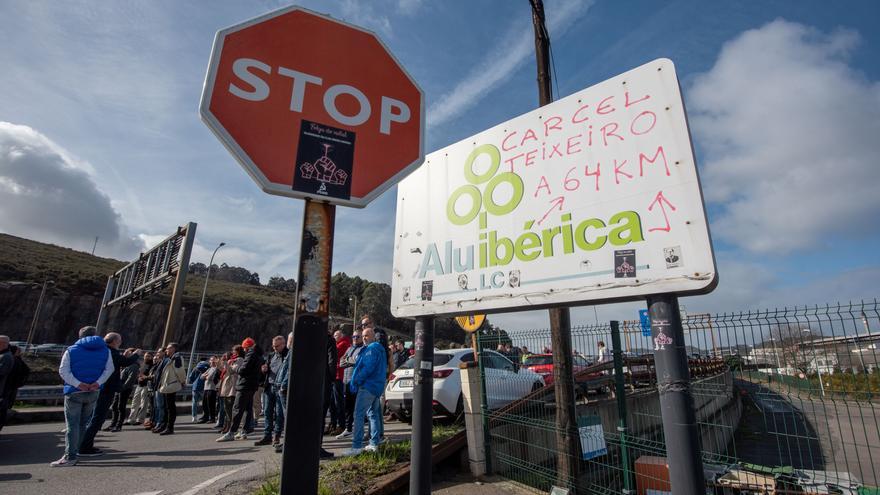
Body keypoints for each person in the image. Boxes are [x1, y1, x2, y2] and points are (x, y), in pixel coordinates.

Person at [50, 326, 114, 467]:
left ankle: (70, 456)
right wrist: (97, 383)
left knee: (72, 425)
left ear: (80, 336)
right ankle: (77, 450)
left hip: (74, 391)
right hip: (93, 391)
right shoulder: (105, 350)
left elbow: (63, 370)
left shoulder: (72, 350)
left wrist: (78, 384)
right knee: (82, 424)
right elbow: (110, 369)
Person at [79, 332, 140, 456]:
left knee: (93, 417)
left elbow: (119, 361)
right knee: (97, 418)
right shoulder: (110, 352)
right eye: (119, 340)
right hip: (106, 388)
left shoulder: (103, 351)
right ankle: (84, 447)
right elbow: (124, 362)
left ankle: (84, 444)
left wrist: (124, 356)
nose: (121, 342)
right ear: (114, 341)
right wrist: (136, 354)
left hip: (98, 386)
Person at [343, 325, 387, 456]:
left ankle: (356, 447)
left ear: (373, 336)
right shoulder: (378, 349)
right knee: (373, 415)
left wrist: (356, 381)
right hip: (376, 387)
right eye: (362, 336)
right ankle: (374, 443)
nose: (364, 338)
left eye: (366, 335)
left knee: (358, 415)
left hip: (367, 387)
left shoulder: (371, 349)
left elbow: (367, 368)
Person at [217, 338, 262, 441]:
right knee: (248, 408)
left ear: (247, 347)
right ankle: (244, 431)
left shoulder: (251, 354)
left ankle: (231, 432)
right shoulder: (258, 355)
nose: (244, 350)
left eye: (244, 348)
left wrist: (234, 368)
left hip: (244, 385)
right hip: (252, 385)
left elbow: (243, 370)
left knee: (237, 408)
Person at [255, 336, 288, 447]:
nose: (274, 348)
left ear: (284, 344)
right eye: (273, 346)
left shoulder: (288, 355)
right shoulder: (271, 356)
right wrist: (264, 370)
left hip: (280, 388)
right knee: (268, 412)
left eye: (277, 346)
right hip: (269, 386)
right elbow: (267, 370)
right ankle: (267, 435)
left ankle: (277, 436)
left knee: (279, 414)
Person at [335, 329, 364, 440]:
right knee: (348, 407)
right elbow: (341, 362)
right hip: (345, 381)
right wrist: (350, 360)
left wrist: (349, 360)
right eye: (353, 337)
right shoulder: (349, 348)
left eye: (358, 337)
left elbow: (359, 361)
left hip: (356, 382)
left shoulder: (363, 349)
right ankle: (348, 429)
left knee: (357, 408)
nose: (355, 339)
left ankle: (357, 431)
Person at [157, 342, 186, 435]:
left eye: (168, 348)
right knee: (167, 406)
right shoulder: (170, 358)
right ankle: (166, 426)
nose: (166, 350)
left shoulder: (177, 358)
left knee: (170, 407)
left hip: (171, 385)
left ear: (174, 349)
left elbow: (180, 370)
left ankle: (170, 428)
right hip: (167, 385)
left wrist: (182, 381)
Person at [108, 351, 139, 431]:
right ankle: (113, 424)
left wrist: (122, 388)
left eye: (127, 353)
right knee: (115, 406)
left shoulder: (134, 366)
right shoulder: (125, 365)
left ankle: (119, 425)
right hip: (119, 388)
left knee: (121, 407)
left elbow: (130, 379)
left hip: (124, 389)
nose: (124, 354)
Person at [328, 329, 351, 436]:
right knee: (332, 402)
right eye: (333, 335)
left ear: (341, 336)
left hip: (339, 377)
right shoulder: (337, 344)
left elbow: (334, 353)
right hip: (334, 376)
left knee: (338, 402)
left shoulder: (344, 344)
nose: (334, 337)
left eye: (336, 335)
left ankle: (341, 425)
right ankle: (333, 424)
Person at [274, 331, 293, 454]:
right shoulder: (290, 352)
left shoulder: (293, 352)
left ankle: (289, 443)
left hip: (284, 388)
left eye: (290, 339)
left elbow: (290, 370)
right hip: (280, 386)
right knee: (283, 416)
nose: (288, 341)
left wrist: (283, 386)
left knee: (288, 418)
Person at [126, 352, 153, 425]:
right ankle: (131, 419)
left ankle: (140, 420)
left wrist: (145, 377)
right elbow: (138, 373)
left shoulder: (152, 365)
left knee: (144, 404)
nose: (146, 357)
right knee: (134, 403)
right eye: (145, 356)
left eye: (148, 356)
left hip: (146, 386)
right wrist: (138, 377)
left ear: (151, 357)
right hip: (139, 385)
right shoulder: (142, 364)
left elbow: (152, 376)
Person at [148, 347, 169, 432]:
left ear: (164, 353)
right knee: (157, 406)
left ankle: (160, 423)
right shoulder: (160, 363)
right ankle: (156, 422)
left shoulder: (166, 361)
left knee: (160, 406)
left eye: (159, 352)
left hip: (161, 387)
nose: (157, 354)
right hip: (156, 387)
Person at [188, 358, 210, 422]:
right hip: (204, 387)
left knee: (194, 402)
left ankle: (194, 417)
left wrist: (194, 382)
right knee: (205, 403)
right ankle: (205, 416)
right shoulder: (208, 367)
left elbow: (190, 377)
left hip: (195, 387)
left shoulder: (196, 368)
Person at [200, 356, 220, 424]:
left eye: (212, 360)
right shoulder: (209, 369)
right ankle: (205, 417)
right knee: (204, 404)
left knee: (211, 404)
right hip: (206, 388)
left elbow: (210, 377)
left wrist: (205, 376)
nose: (211, 361)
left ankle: (212, 418)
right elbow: (201, 377)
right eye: (210, 360)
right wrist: (205, 376)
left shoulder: (216, 369)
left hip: (212, 388)